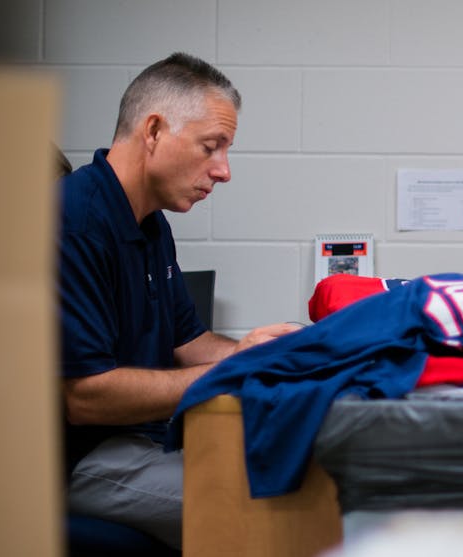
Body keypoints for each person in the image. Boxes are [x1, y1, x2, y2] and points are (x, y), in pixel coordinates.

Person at [59, 52, 300, 548]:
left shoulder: (151, 223)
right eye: (211, 147)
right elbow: (84, 397)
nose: (224, 171)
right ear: (153, 131)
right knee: (279, 513)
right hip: (78, 459)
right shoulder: (75, 223)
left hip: (138, 441)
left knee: (299, 479)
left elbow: (189, 341)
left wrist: (259, 353)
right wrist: (230, 370)